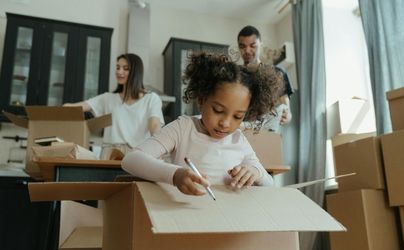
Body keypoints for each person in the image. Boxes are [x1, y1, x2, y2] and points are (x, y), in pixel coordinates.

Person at [122, 52, 283, 196]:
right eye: (218, 110)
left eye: (237, 116)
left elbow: (270, 183)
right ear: (201, 100)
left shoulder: (238, 139)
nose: (225, 123)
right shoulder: (183, 128)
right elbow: (131, 160)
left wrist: (255, 172)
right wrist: (175, 175)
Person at [64, 53, 164, 155]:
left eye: (125, 68)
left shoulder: (151, 98)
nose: (119, 71)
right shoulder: (108, 98)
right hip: (110, 153)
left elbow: (155, 125)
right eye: (117, 67)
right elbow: (77, 107)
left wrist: (158, 150)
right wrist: (62, 110)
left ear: (135, 72)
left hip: (138, 153)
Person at [237, 25, 294, 129]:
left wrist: (287, 115)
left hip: (267, 133)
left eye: (252, 46)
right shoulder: (234, 75)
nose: (247, 50)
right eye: (242, 46)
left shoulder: (277, 73)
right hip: (239, 132)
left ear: (260, 45)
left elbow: (287, 110)